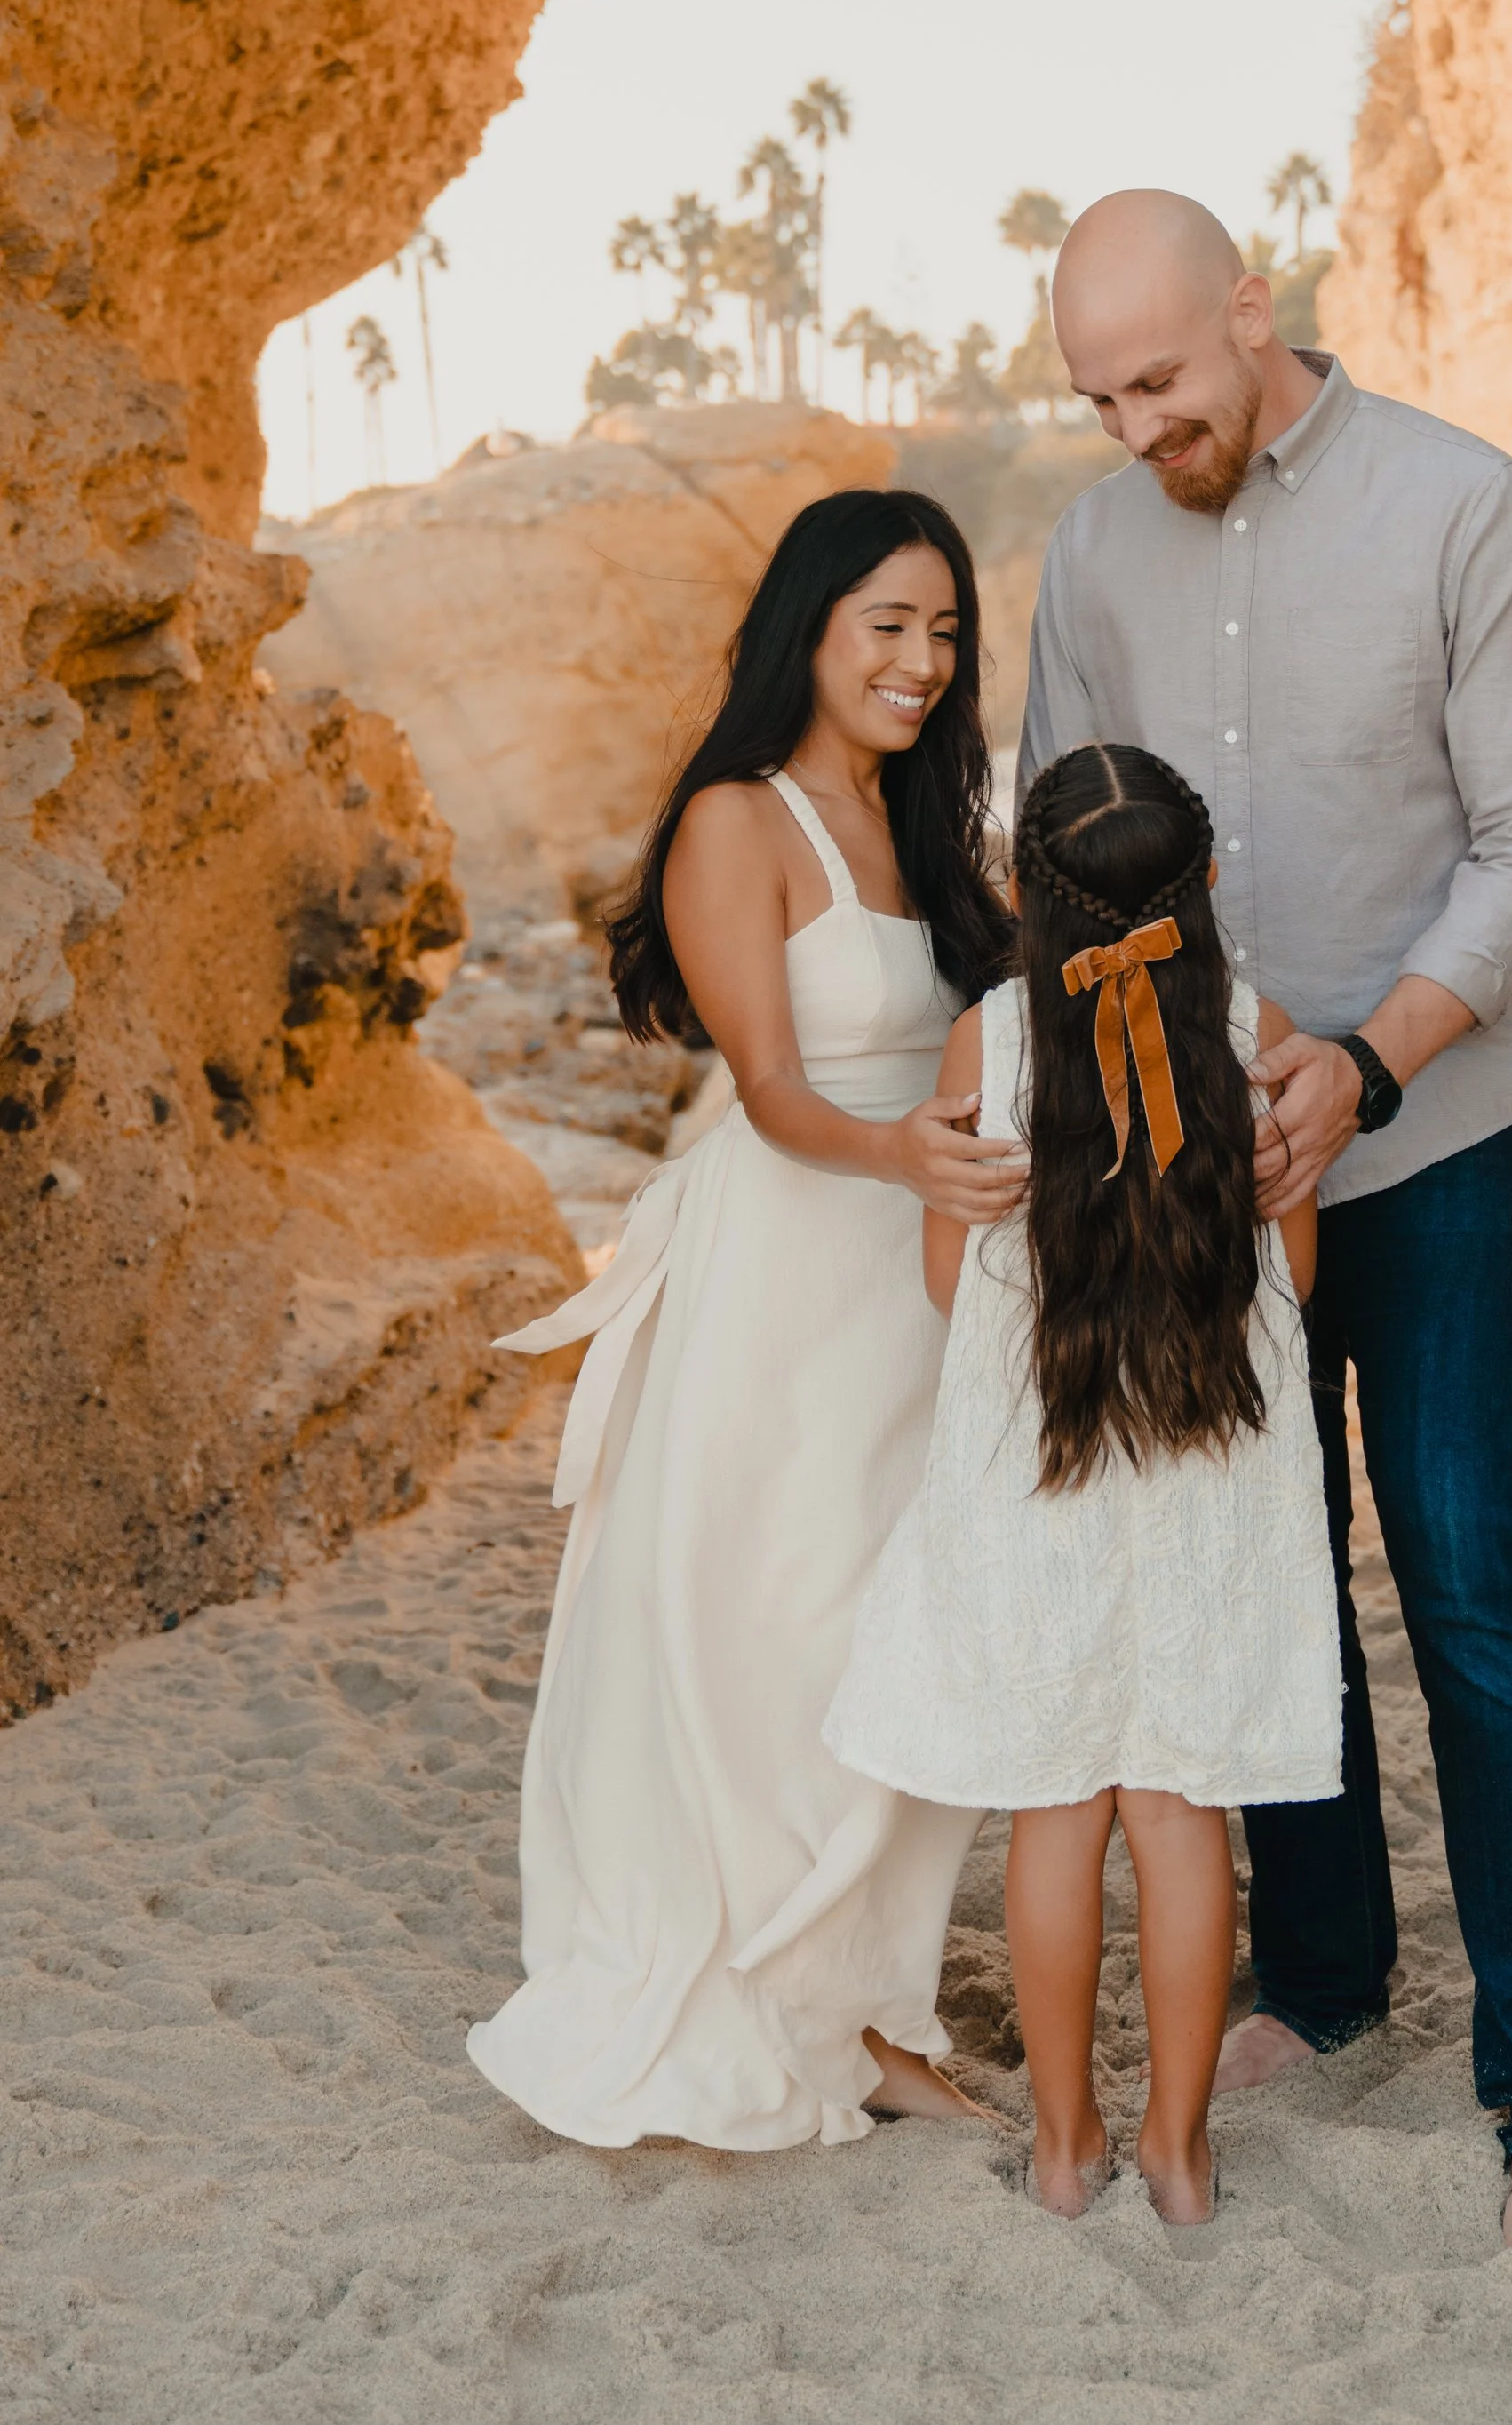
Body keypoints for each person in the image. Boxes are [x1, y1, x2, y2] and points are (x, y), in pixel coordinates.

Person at [1016, 190, 1512, 2266]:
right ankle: (1323, 1975)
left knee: (1469, 1568)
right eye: (1098, 394)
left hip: (1437, 1126)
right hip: (1199, 1172)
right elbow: (1059, 821)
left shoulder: (1464, 508)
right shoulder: (1094, 548)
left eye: (1162, 381)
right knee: (1262, 1570)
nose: (1135, 428)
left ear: (1253, 312)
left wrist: (1361, 1062)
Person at [466, 489, 1024, 2152]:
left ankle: (863, 2004)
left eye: (945, 631)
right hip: (789, 1266)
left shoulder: (928, 821)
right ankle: (788, 1999)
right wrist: (898, 1150)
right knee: (777, 1635)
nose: (922, 663)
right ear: (811, 627)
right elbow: (773, 1088)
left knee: (907, 1636)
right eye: (888, 627)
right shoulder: (738, 819)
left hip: (923, 1280)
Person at [827, 743, 1341, 2222]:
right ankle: (1180, 2153)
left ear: (1016, 893)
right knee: (1183, 1816)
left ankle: (1065, 2146)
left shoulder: (985, 1046)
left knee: (1055, 1813)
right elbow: (1291, 1282)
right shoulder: (1258, 1033)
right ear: (1209, 889)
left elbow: (949, 1285)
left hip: (1042, 1469)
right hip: (1209, 1472)